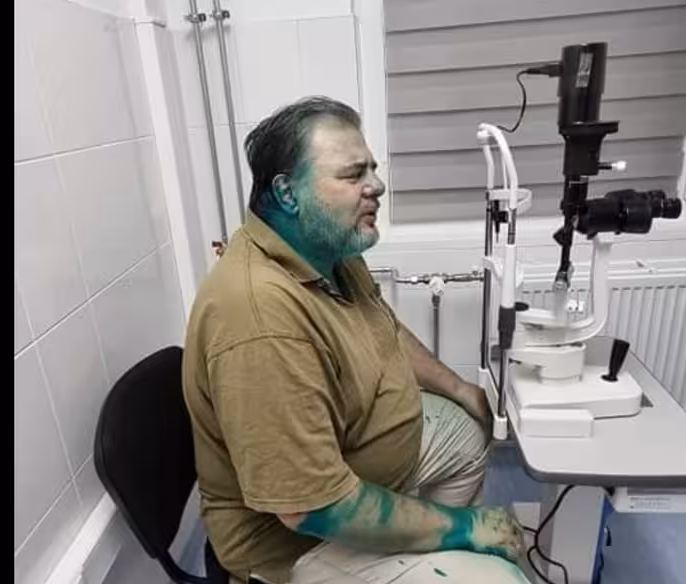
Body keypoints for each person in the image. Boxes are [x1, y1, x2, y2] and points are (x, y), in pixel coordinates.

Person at [182, 96, 528, 584]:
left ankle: (417, 546)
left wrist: (460, 389)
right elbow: (311, 507)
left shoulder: (327, 250)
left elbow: (383, 328)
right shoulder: (258, 319)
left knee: (471, 430)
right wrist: (464, 528)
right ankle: (426, 553)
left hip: (361, 458)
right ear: (287, 193)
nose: (377, 186)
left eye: (373, 169)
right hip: (297, 540)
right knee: (501, 580)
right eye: (353, 174)